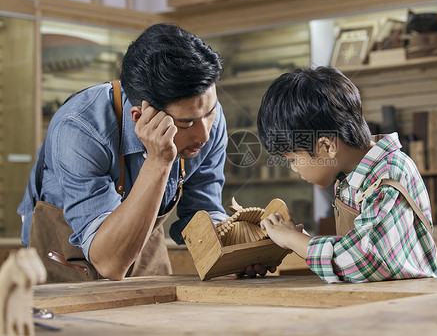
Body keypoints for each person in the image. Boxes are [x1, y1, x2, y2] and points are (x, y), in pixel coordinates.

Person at [18, 23, 271, 281]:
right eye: (186, 123)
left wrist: (234, 251)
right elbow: (110, 263)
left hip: (142, 252)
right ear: (141, 117)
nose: (204, 134)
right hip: (65, 263)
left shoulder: (205, 120)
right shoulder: (81, 129)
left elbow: (201, 212)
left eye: (210, 113)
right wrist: (159, 161)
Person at [257, 66, 437, 283]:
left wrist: (293, 238)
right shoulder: (348, 178)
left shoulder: (388, 175)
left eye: (292, 160)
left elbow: (363, 260)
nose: (294, 169)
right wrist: (299, 241)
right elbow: (353, 249)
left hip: (411, 305)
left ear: (327, 146)